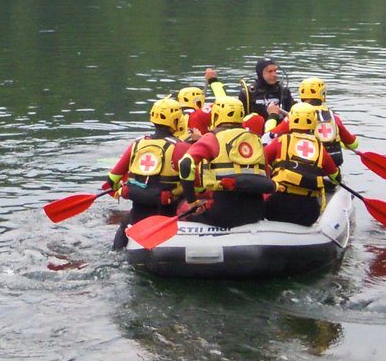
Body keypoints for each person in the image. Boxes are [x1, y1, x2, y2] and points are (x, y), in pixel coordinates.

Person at [105, 98, 196, 248]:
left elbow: (112, 178)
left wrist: (118, 187)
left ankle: (117, 248)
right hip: (166, 216)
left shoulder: (137, 144)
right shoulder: (181, 148)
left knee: (123, 225)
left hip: (137, 215)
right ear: (176, 121)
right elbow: (197, 182)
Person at [177, 96, 274, 229]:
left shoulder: (211, 138)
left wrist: (192, 201)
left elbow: (185, 164)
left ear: (217, 116)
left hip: (223, 212)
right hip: (255, 212)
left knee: (181, 208)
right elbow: (267, 175)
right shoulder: (256, 140)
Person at [262, 102, 340, 226]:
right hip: (308, 214)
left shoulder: (279, 141)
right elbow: (336, 177)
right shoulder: (320, 148)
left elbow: (261, 160)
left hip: (276, 208)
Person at [268, 78, 360, 166]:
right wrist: (340, 140)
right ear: (322, 94)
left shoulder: (295, 115)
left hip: (307, 165)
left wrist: (272, 115)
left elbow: (269, 135)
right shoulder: (334, 117)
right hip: (332, 165)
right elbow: (353, 144)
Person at [204, 57, 294, 123]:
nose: (274, 75)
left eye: (275, 71)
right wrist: (213, 81)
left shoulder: (283, 92)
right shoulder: (248, 93)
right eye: (270, 71)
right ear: (260, 73)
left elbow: (293, 114)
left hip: (279, 133)